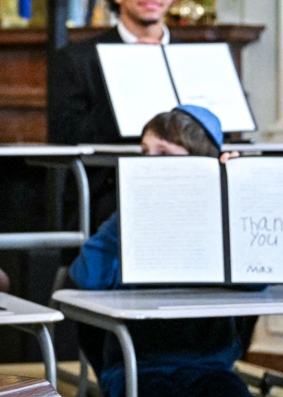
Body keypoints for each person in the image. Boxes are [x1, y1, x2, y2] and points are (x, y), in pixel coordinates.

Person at [68, 105, 249, 397]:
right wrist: (127, 215)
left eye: (163, 153)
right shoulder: (129, 221)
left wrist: (237, 195)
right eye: (144, 153)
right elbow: (86, 276)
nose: (148, 163)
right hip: (137, 368)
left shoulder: (220, 220)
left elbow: (258, 279)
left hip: (211, 368)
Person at [48, 0, 178, 230]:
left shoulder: (195, 57)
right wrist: (134, 74)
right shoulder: (77, 59)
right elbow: (66, 136)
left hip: (184, 193)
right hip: (108, 198)